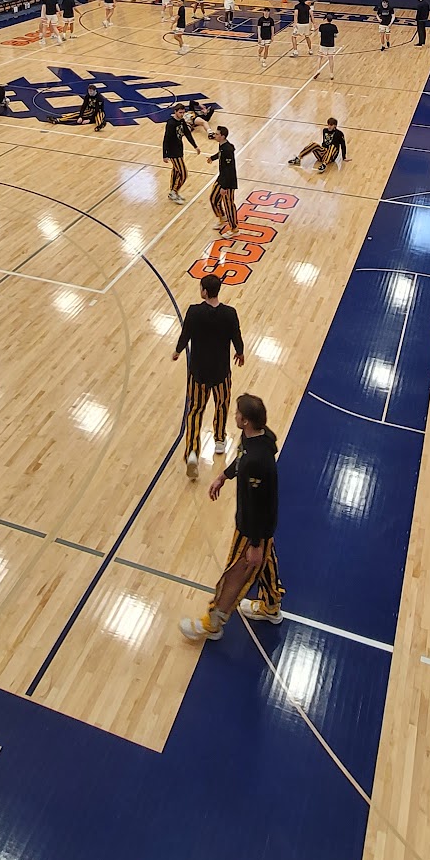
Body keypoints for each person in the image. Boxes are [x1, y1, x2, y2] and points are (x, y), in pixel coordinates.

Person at [180, 393, 282, 639]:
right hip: (259, 526)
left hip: (252, 528)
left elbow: (258, 505)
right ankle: (271, 605)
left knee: (237, 572)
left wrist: (255, 543)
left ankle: (213, 623)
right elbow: (241, 457)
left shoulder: (257, 462)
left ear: (245, 421)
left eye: (237, 413)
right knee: (265, 561)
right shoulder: (258, 438)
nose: (234, 416)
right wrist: (224, 476)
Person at [174, 271, 245, 478]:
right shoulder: (229, 313)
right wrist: (240, 353)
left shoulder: (194, 312)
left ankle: (192, 452)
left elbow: (185, 334)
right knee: (222, 404)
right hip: (221, 372)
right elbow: (236, 336)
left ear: (204, 291)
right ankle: (220, 440)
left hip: (198, 373)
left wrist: (177, 351)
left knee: (195, 411)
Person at [207, 124, 239, 236]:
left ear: (223, 136)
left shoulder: (227, 150)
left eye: (217, 134)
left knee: (228, 204)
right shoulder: (222, 146)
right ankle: (222, 218)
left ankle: (234, 229)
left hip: (228, 181)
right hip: (222, 177)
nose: (215, 135)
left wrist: (224, 187)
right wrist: (212, 158)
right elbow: (220, 154)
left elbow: (229, 169)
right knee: (213, 198)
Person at [163, 103, 196, 201]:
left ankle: (173, 192)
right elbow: (166, 139)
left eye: (183, 112)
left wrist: (195, 146)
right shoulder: (171, 123)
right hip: (172, 152)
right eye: (180, 112)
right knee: (183, 173)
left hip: (179, 150)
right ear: (175, 112)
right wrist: (165, 154)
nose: (182, 114)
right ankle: (174, 191)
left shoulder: (181, 121)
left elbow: (187, 133)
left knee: (176, 172)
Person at [317, 13, 340, 78]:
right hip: (331, 45)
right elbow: (336, 35)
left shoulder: (322, 26)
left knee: (320, 57)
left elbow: (319, 35)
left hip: (323, 44)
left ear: (326, 19)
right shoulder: (334, 27)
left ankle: (318, 70)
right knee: (331, 59)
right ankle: (331, 74)